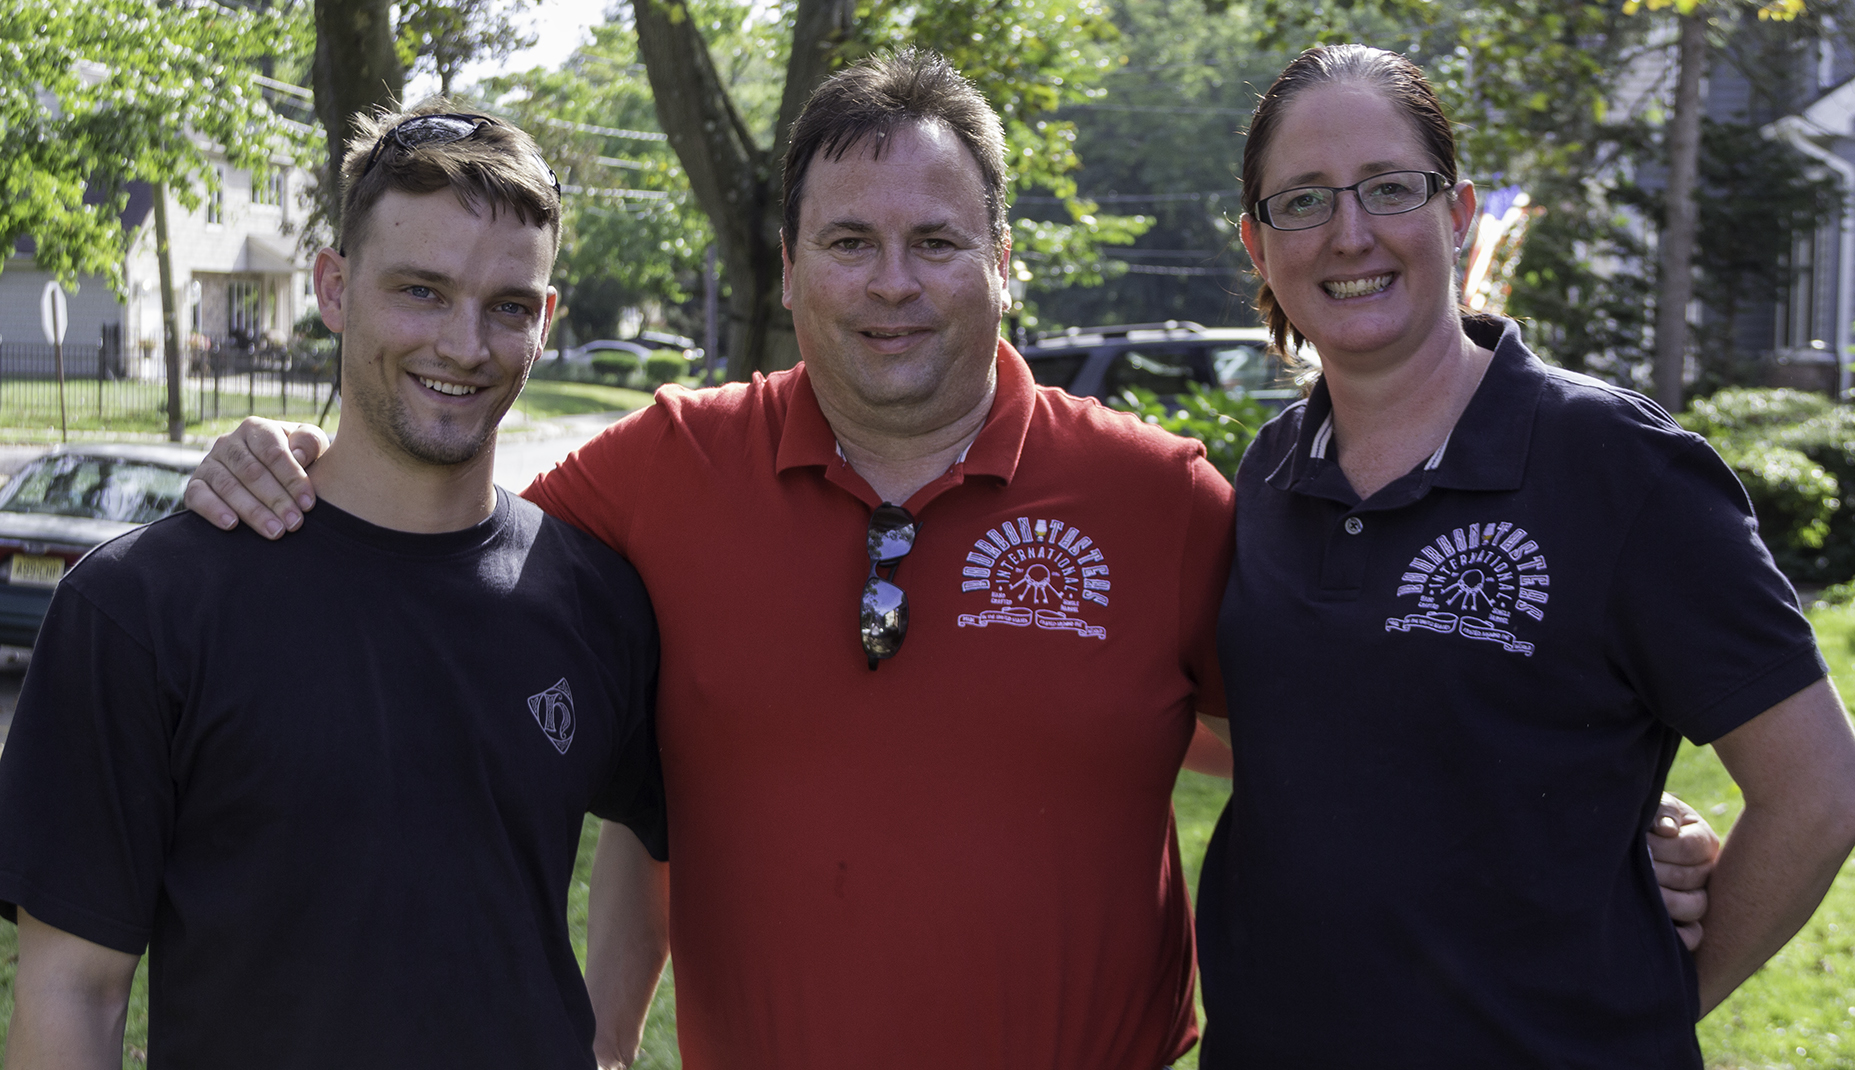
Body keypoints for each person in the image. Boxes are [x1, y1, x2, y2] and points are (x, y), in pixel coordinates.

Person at [183, 50, 1720, 1069]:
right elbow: (442, 536)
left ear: (1005, 259)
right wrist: (290, 460)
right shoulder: (659, 470)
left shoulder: (1162, 497)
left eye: (936, 239)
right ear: (784, 267)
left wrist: (1578, 808)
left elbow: (1354, 707)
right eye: (847, 240)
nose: (891, 283)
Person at [1196, 44, 1855, 1069]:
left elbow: (1816, 790)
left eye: (1388, 188)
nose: (1350, 232)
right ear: (1257, 244)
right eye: (1303, 201)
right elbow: (1307, 738)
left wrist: (1655, 999)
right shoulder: (1274, 472)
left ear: (1456, 213)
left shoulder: (1621, 469)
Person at [0, 103, 669, 1070]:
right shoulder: (144, 607)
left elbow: (661, 827)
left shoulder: (593, 598)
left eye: (508, 306)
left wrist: (604, 1044)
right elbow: (74, 990)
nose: (465, 345)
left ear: (547, 318)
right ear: (333, 286)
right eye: (421, 292)